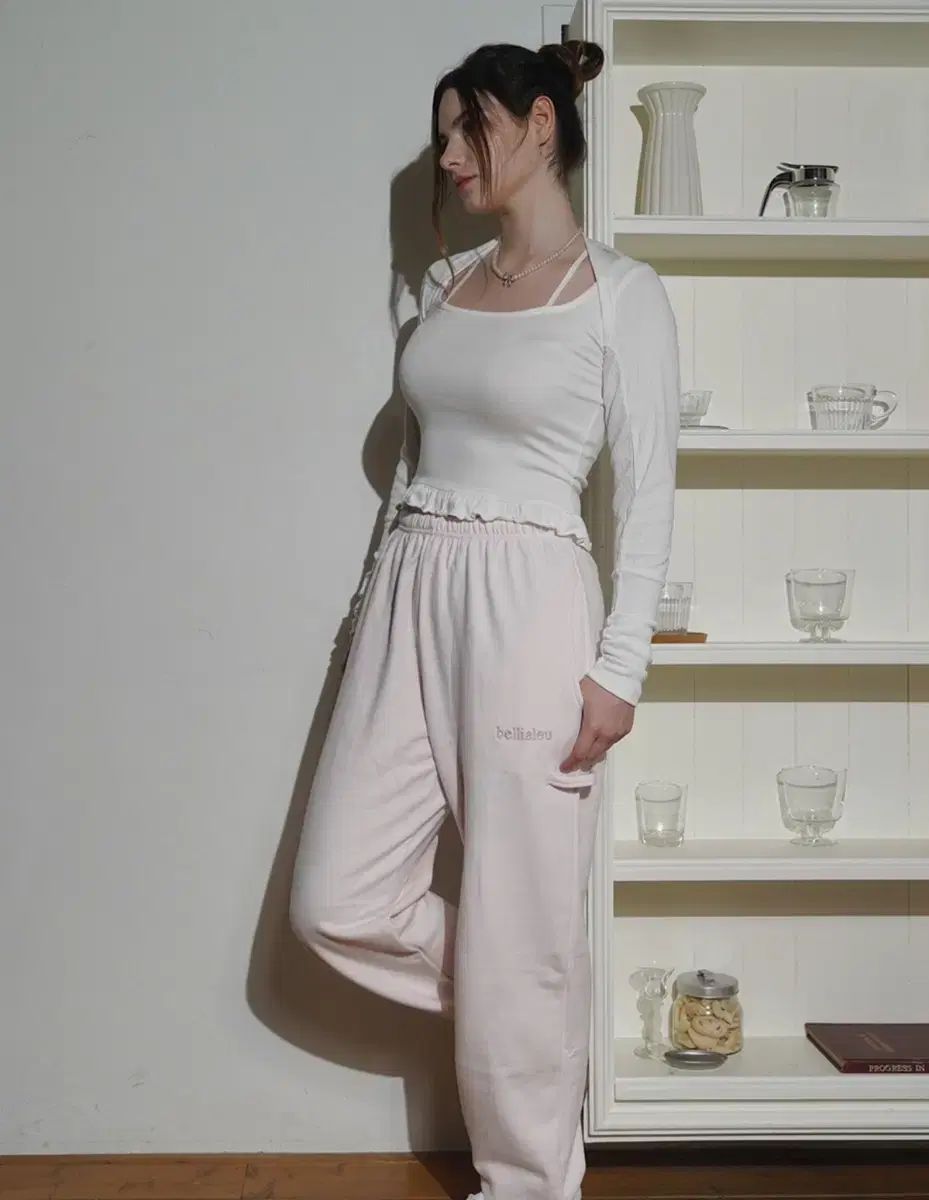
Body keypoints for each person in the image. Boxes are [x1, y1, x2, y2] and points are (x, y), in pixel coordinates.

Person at [289, 39, 681, 1200]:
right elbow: (415, 468)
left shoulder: (622, 295)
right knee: (335, 898)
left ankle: (526, 1185)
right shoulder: (446, 286)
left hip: (531, 605)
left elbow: (650, 493)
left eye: (469, 131)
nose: (451, 158)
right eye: (443, 139)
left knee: (523, 915)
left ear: (540, 126)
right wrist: (370, 617)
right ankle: (530, 995)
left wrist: (619, 671)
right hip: (411, 591)